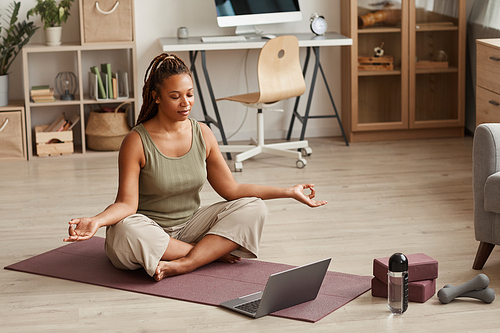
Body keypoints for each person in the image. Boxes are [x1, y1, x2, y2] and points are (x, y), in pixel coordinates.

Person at [64, 53, 327, 281]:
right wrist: (96, 221)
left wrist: (289, 192)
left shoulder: (203, 133)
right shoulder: (136, 141)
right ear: (156, 97)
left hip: (190, 223)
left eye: (190, 95)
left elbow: (232, 189)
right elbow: (126, 205)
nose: (185, 103)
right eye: (175, 96)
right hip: (148, 228)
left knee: (254, 206)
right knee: (124, 231)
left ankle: (186, 263)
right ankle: (206, 253)